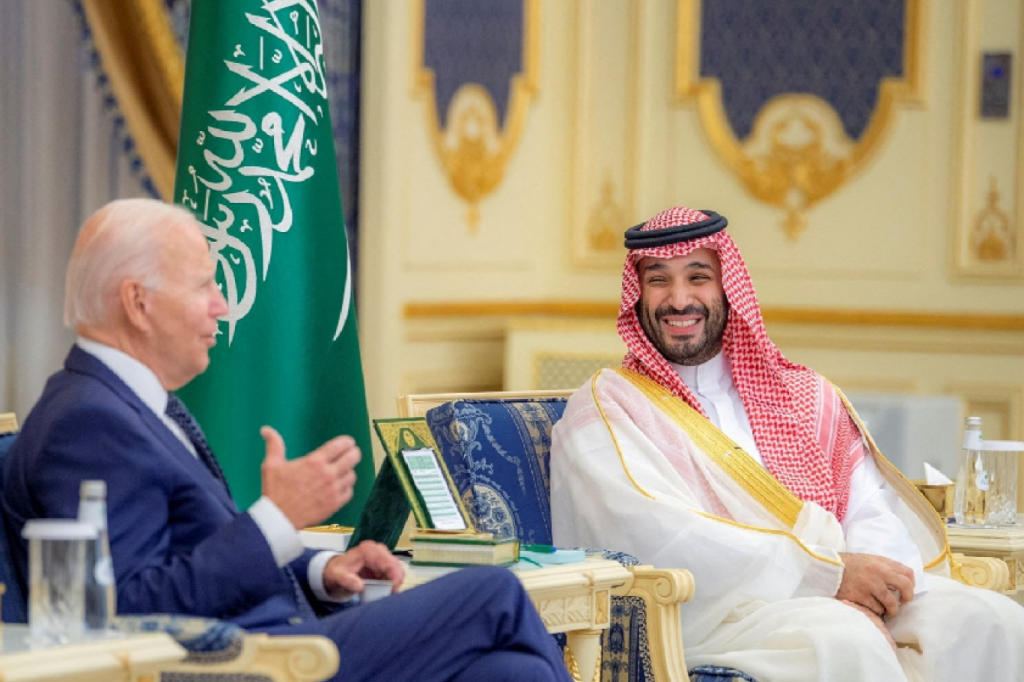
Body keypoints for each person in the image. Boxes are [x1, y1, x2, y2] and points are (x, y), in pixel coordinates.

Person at [3, 198, 570, 682]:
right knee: (494, 593)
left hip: (277, 636)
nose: (223, 305)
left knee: (514, 673)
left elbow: (195, 552)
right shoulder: (90, 422)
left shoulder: (134, 402)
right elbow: (128, 605)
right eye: (203, 285)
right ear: (137, 302)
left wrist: (324, 570)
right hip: (245, 662)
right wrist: (277, 517)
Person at [549, 206, 1024, 681]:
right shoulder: (611, 404)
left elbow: (866, 505)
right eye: (658, 280)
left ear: (728, 286)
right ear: (637, 294)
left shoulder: (803, 394)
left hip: (833, 586)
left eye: (698, 277)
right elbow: (657, 533)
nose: (678, 299)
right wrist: (828, 575)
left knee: (993, 622)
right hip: (720, 613)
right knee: (847, 641)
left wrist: (874, 588)